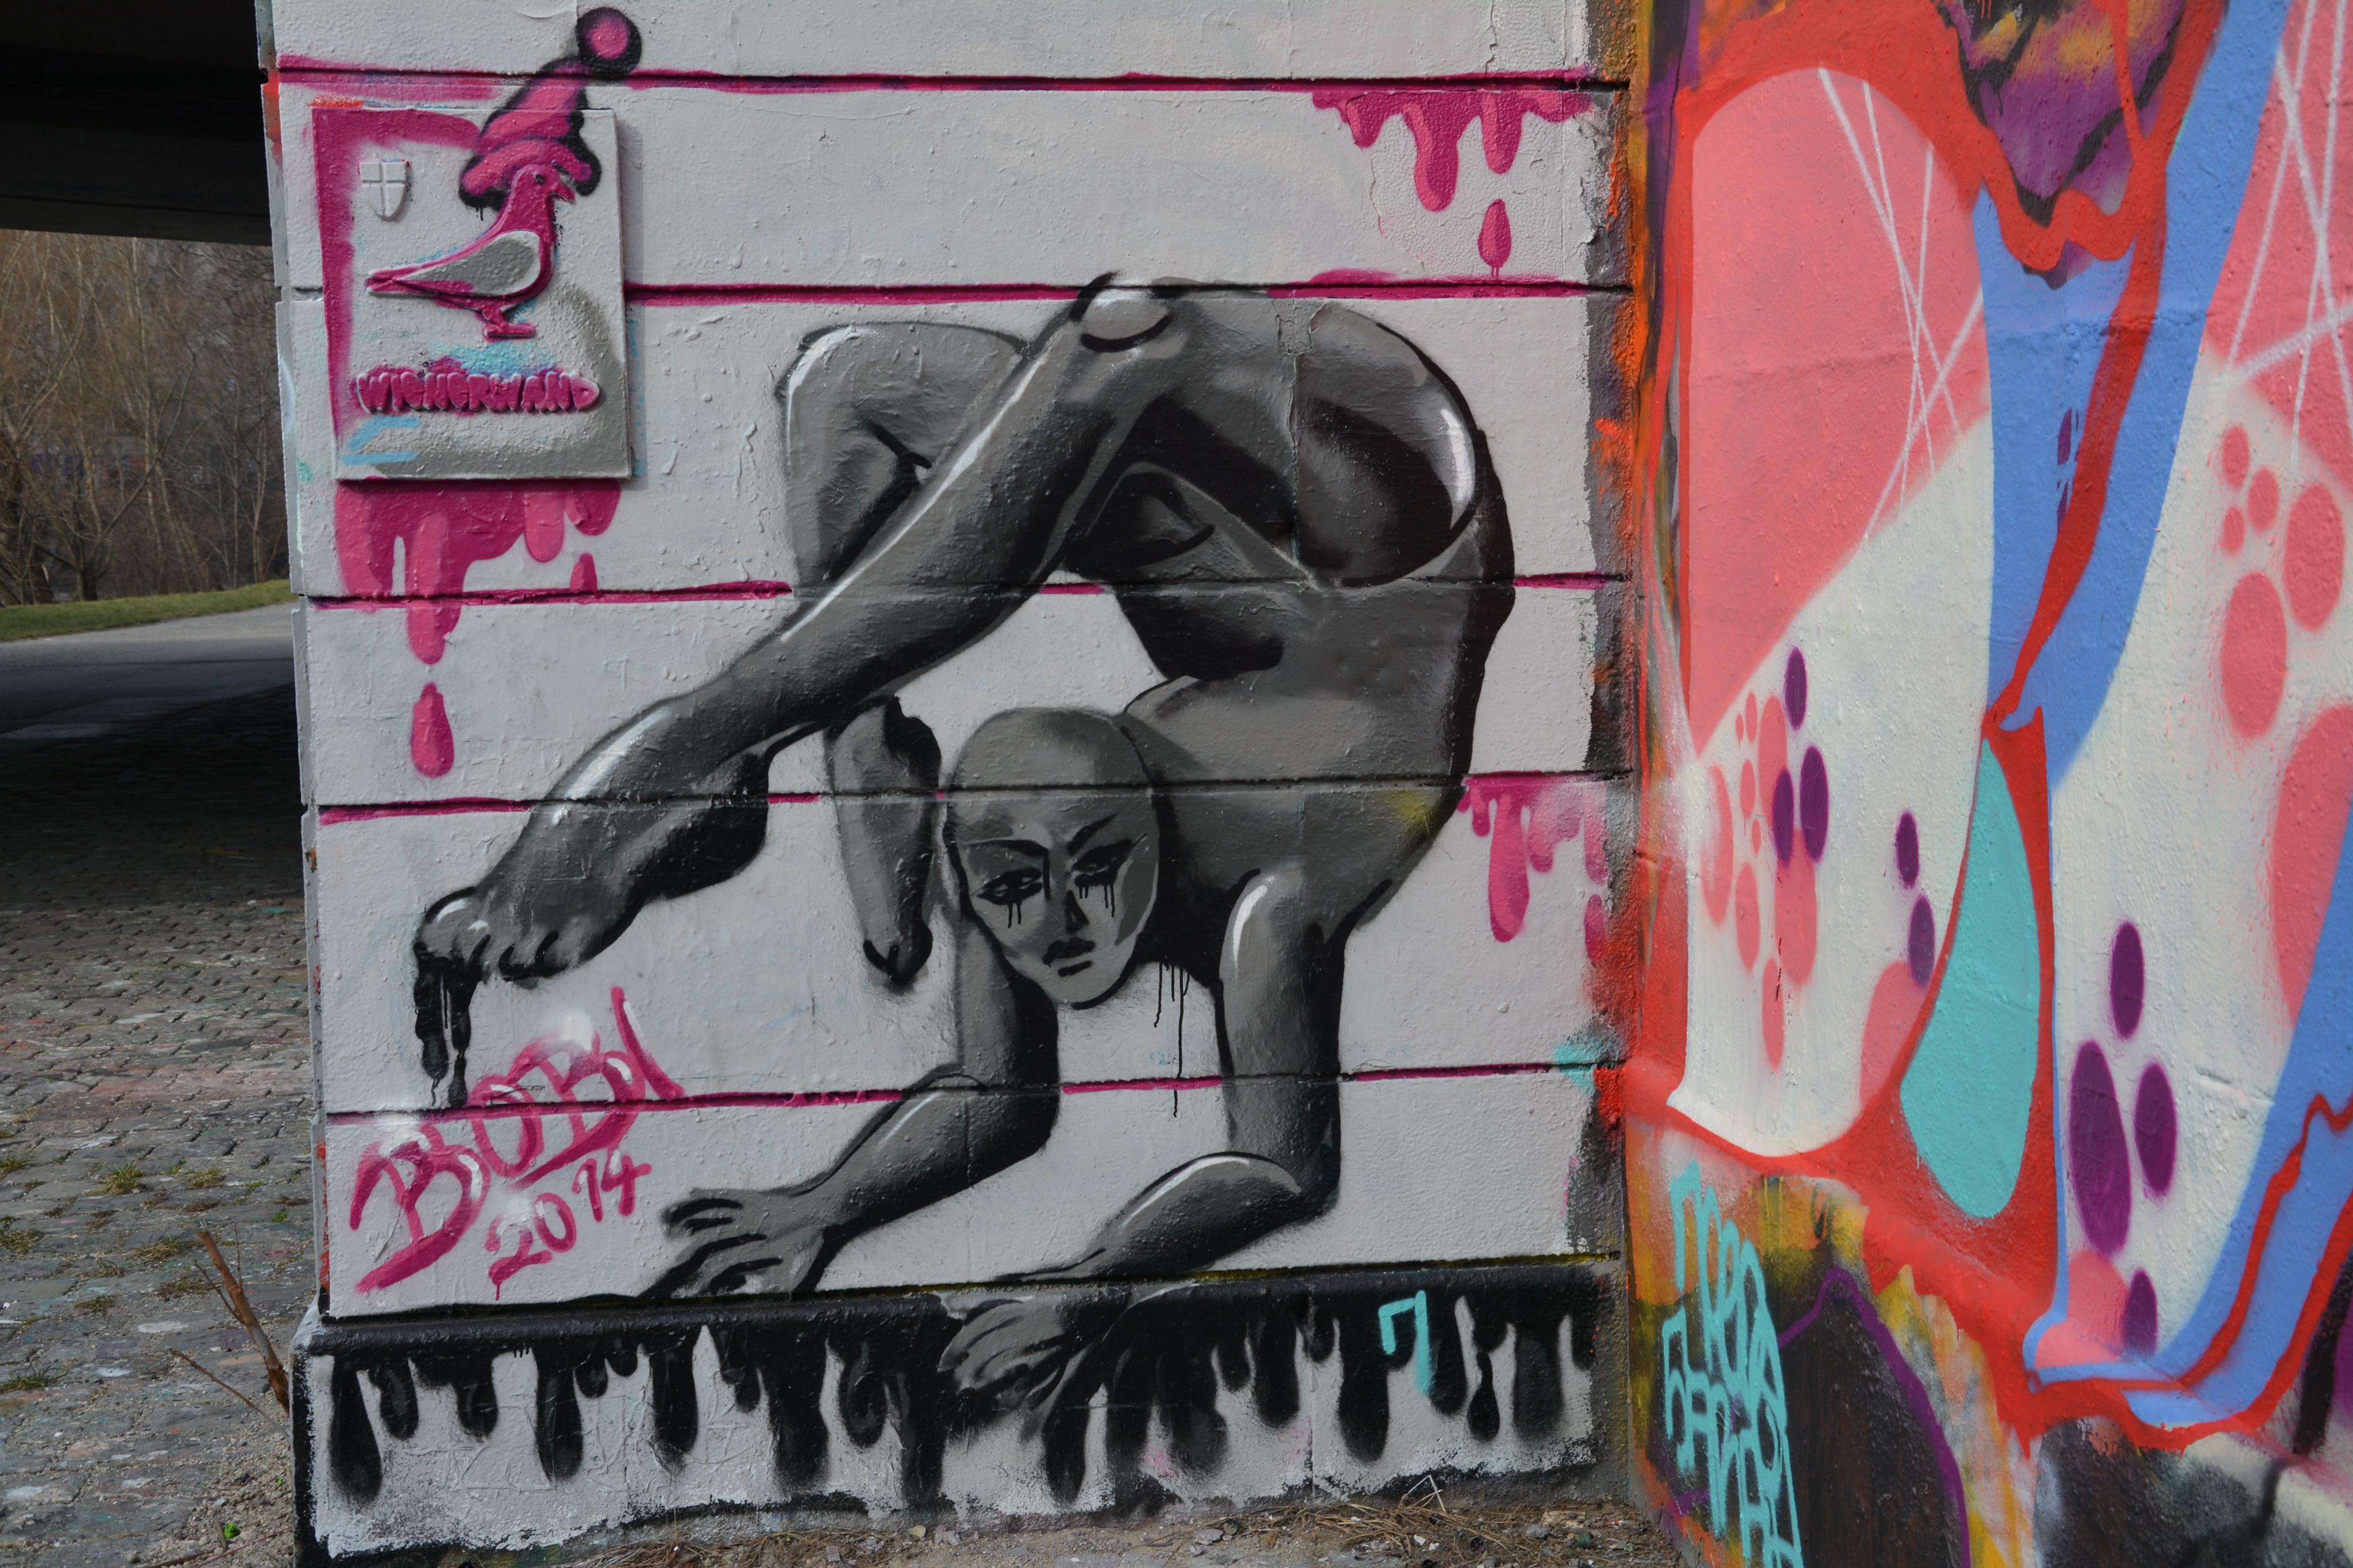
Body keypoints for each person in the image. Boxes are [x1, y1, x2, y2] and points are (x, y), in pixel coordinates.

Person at [411, 280, 1514, 1401]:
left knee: (1105, 342)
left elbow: (1275, 1162)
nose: (1063, 923)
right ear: (972, 876)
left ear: (1144, 833)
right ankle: (848, 733)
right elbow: (1009, 1097)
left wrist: (1088, 1284)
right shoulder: (1063, 871)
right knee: (857, 383)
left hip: (1337, 546)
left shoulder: (1248, 905)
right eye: (1015, 889)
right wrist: (823, 1212)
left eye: (1098, 870)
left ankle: (708, 745)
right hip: (1350, 581)